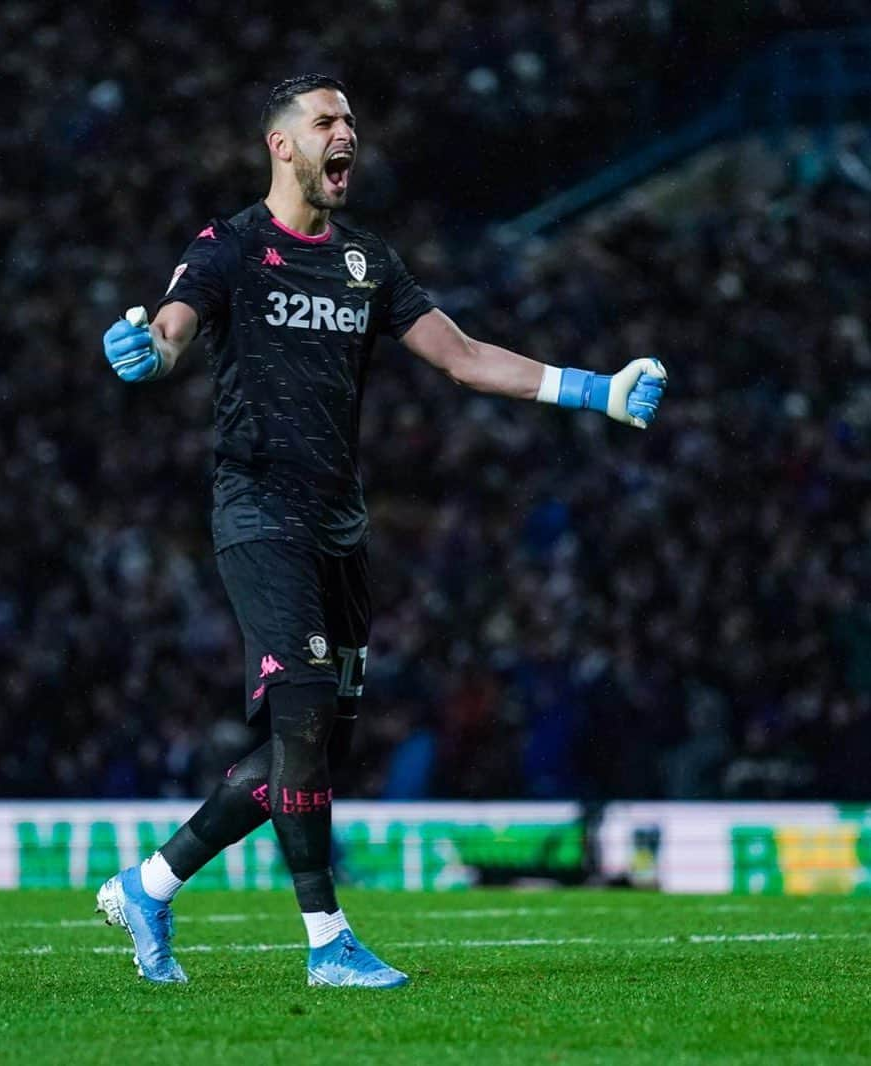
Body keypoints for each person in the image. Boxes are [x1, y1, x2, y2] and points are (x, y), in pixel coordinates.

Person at [97, 73, 667, 989]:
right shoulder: (231, 246)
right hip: (259, 511)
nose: (346, 132)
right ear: (282, 145)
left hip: (339, 527)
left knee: (310, 743)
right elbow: (172, 325)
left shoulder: (368, 262)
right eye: (326, 120)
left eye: (352, 120)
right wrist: (149, 350)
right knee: (306, 713)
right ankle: (328, 942)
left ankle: (151, 882)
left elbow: (468, 357)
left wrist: (595, 389)